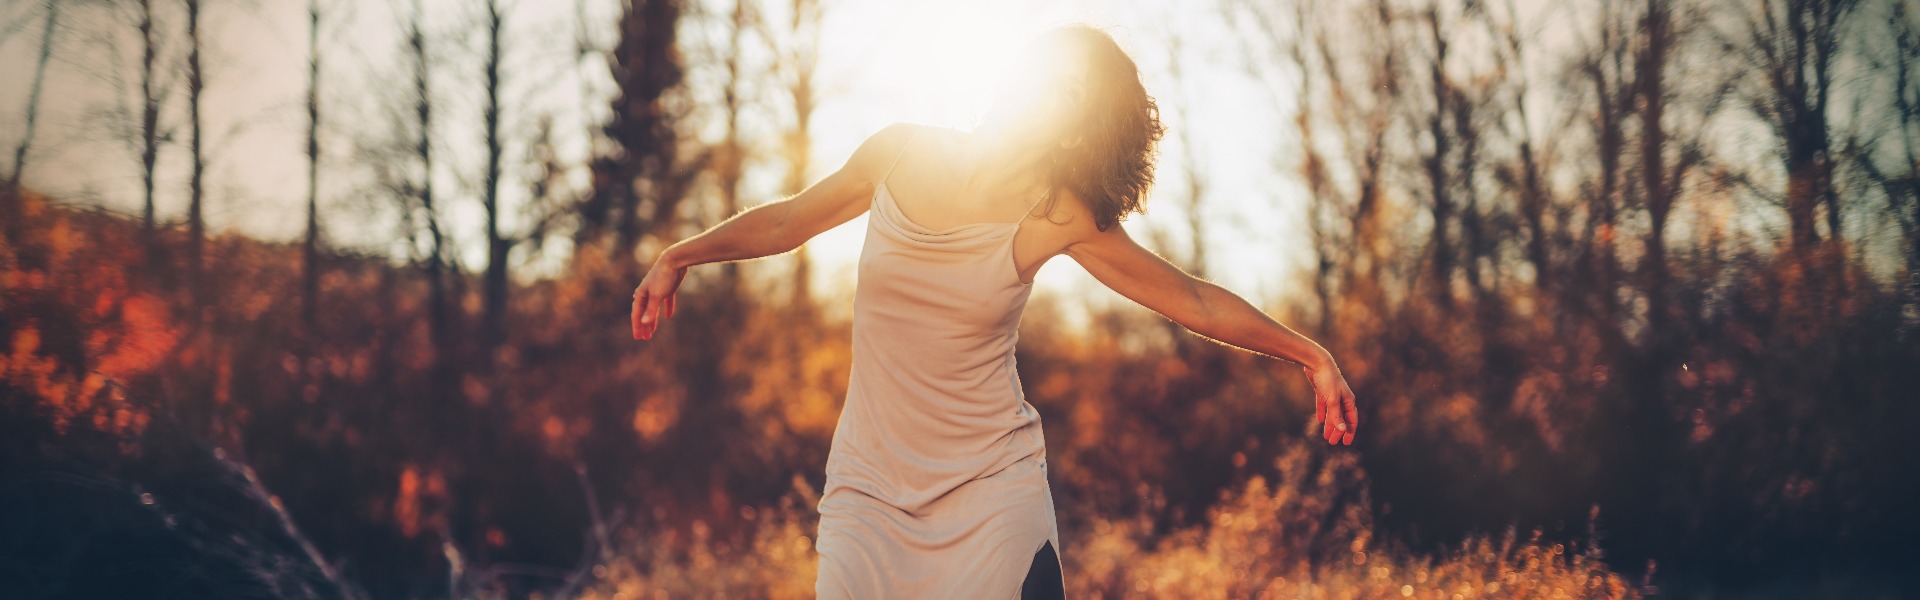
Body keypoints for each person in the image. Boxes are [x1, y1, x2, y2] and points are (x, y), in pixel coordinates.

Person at [628, 24, 1358, 599]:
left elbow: (1191, 297)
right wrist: (679, 255)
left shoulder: (1059, 216)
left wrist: (1311, 355)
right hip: (868, 491)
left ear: (1077, 132)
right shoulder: (898, 153)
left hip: (988, 490)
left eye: (1066, 89)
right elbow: (788, 222)